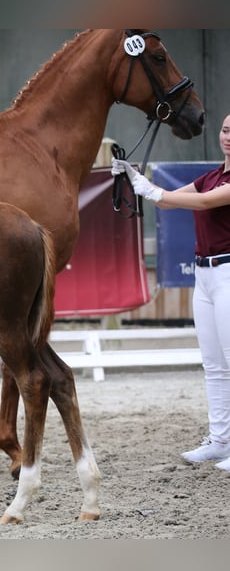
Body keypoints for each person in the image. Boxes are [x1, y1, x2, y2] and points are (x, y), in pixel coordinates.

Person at [111, 113, 230, 472]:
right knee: (213, 364)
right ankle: (221, 438)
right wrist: (135, 178)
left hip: (228, 271)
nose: (228, 137)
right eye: (226, 130)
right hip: (205, 274)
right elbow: (168, 200)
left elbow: (206, 203)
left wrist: (152, 190)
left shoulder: (218, 186)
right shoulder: (210, 177)